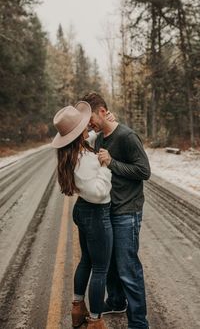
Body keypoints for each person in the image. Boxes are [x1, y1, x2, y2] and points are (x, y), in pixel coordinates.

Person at [80, 92, 151, 329]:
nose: (88, 123)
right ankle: (117, 300)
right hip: (108, 210)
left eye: (90, 116)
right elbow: (76, 138)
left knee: (128, 268)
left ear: (102, 111)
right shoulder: (99, 137)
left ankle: (139, 322)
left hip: (127, 211)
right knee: (109, 264)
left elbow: (144, 172)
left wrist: (112, 163)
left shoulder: (127, 136)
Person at [51, 102, 113, 329]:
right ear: (77, 133)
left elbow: (89, 140)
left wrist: (103, 126)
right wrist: (105, 167)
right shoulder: (85, 159)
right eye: (83, 125)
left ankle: (78, 308)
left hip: (84, 210)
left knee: (87, 260)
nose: (88, 125)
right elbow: (98, 193)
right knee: (100, 269)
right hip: (96, 213)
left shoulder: (72, 153)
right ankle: (96, 321)